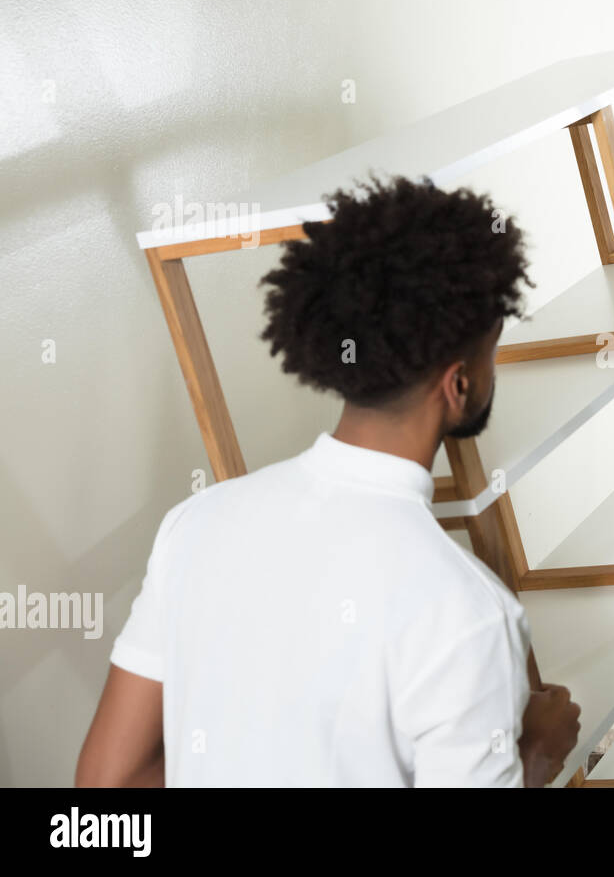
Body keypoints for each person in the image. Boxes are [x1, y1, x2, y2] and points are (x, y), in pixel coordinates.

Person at [77, 174, 580, 787]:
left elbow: (107, 786)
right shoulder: (468, 614)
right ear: (459, 384)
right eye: (490, 352)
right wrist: (533, 755)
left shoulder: (196, 524)